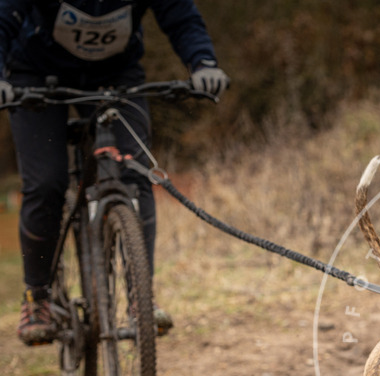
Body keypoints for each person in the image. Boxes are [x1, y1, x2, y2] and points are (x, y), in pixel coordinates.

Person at [0, 0, 229, 345]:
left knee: (135, 176)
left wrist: (204, 64)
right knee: (46, 184)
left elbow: (181, 17)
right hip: (35, 75)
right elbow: (4, 18)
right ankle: (37, 297)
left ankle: (141, 298)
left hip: (115, 78)